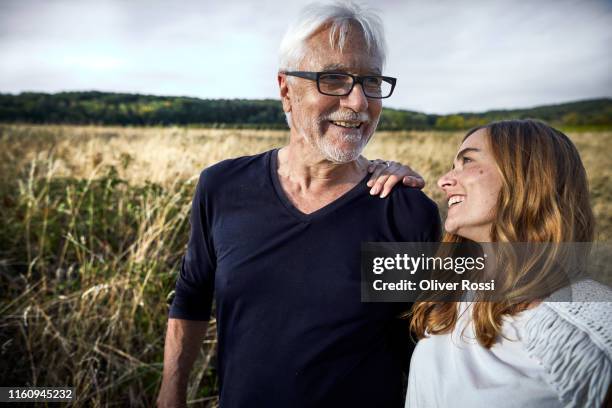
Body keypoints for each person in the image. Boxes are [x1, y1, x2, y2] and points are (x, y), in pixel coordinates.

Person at [157, 2, 441, 407]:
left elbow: (436, 341)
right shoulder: (222, 188)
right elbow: (192, 294)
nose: (359, 102)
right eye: (334, 79)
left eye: (371, 81)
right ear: (286, 90)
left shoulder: (404, 213)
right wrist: (170, 393)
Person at [406, 119, 612, 407]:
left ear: (527, 176)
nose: (443, 181)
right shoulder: (454, 292)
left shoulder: (587, 326)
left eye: (467, 161)